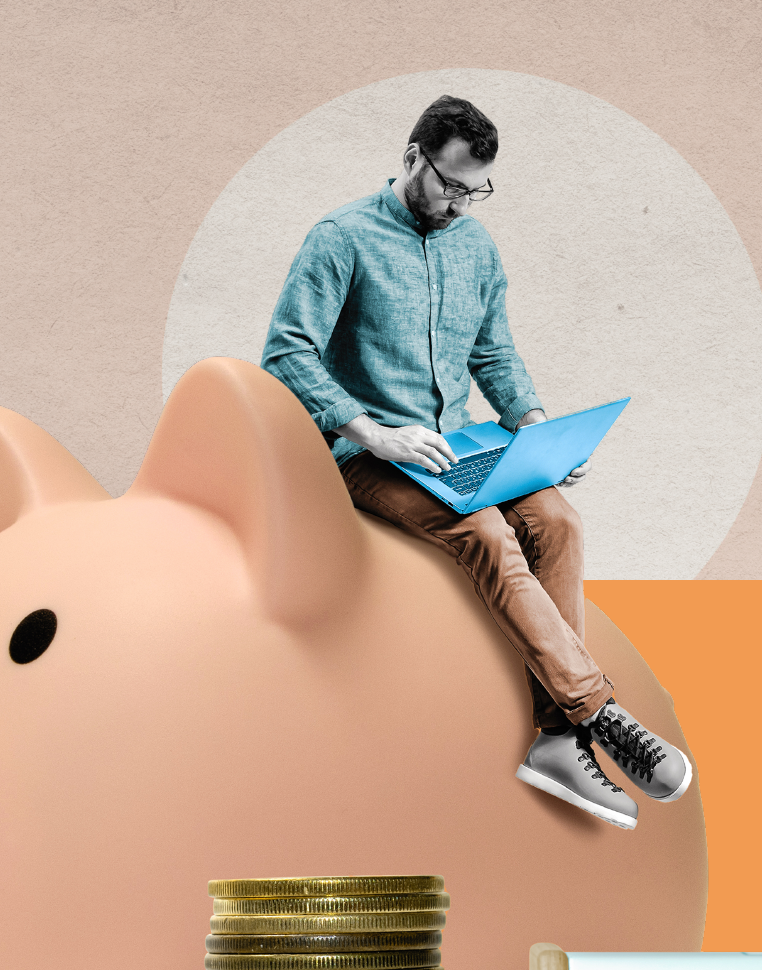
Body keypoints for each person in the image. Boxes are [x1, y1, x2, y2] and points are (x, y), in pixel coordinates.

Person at [260, 95, 691, 831]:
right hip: (370, 454)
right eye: (450, 184)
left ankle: (556, 740)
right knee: (487, 533)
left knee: (557, 519)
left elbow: (492, 351)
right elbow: (286, 352)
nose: (459, 203)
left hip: (458, 444)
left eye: (473, 189)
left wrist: (534, 423)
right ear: (411, 159)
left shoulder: (475, 247)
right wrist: (375, 433)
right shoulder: (341, 238)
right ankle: (598, 713)